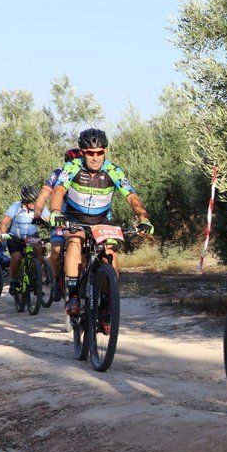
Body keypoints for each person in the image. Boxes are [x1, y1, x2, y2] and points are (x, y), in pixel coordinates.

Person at [49, 128, 153, 315]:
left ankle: (107, 301)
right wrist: (56, 212)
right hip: (75, 218)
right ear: (82, 153)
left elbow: (131, 197)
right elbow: (58, 191)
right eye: (90, 153)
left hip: (102, 220)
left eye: (99, 152)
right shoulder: (72, 167)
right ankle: (73, 296)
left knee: (110, 252)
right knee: (74, 242)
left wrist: (143, 218)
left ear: (105, 151)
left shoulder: (113, 171)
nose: (95, 157)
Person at [34, 148, 81, 300]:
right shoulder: (58, 173)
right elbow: (43, 195)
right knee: (56, 250)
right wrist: (37, 214)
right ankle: (57, 281)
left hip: (81, 218)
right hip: (61, 217)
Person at [0, 185, 50, 295]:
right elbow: (4, 222)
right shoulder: (16, 207)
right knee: (17, 258)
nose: (33, 203)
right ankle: (13, 281)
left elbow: (49, 220)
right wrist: (3, 236)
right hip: (15, 237)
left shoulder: (40, 206)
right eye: (30, 201)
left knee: (39, 250)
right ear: (24, 200)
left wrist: (54, 228)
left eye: (35, 201)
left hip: (32, 237)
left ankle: (36, 280)